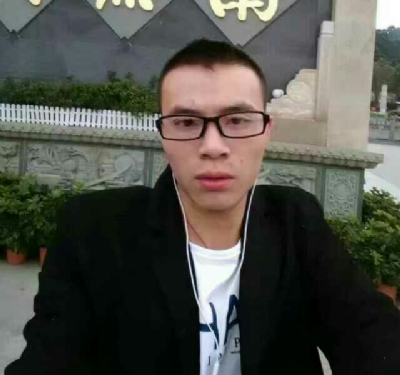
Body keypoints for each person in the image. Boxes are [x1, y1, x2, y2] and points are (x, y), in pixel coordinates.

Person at [5, 39, 400, 375]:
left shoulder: (297, 223)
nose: (213, 146)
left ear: (266, 131)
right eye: (186, 123)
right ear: (163, 135)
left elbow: (370, 334)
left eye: (238, 120)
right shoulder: (95, 231)